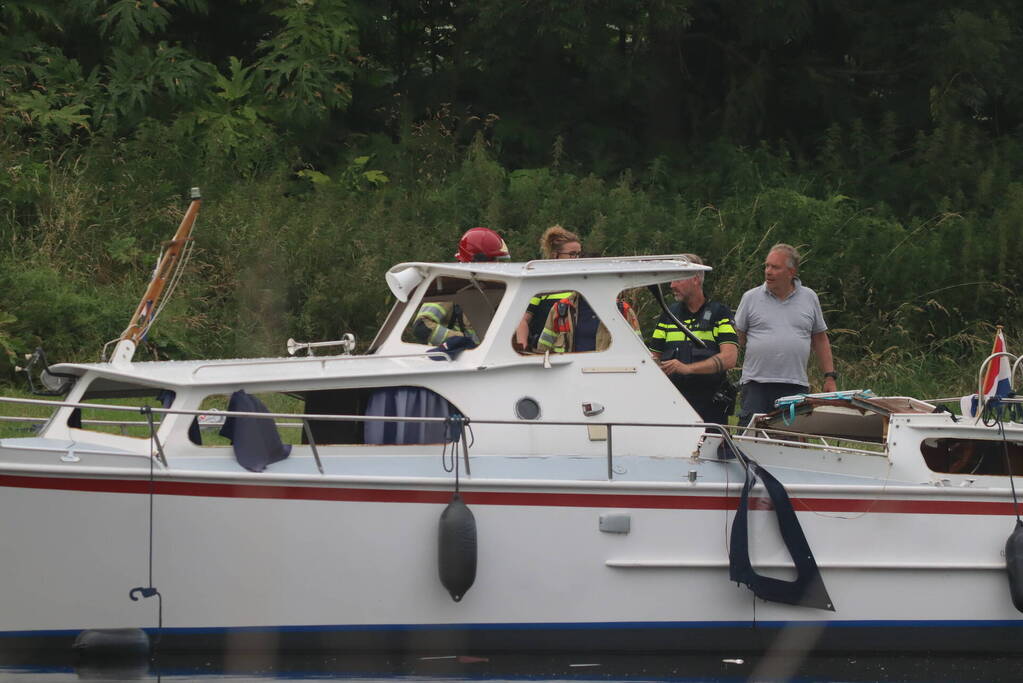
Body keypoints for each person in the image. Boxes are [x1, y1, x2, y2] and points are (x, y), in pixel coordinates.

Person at [734, 243, 837, 426]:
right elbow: (736, 340)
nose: (768, 271)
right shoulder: (750, 298)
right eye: (766, 266)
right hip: (756, 383)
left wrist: (829, 376)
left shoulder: (809, 297)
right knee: (750, 439)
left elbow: (820, 339)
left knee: (789, 440)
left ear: (791, 272)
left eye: (775, 267)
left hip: (794, 384)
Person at [649, 254, 739, 425]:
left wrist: (688, 368)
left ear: (696, 279)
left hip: (710, 408)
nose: (672, 285)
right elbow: (653, 357)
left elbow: (730, 358)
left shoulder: (719, 313)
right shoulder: (668, 314)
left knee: (711, 451)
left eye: (677, 279)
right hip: (673, 405)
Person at [411, 227, 510, 346]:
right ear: (479, 260)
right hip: (454, 361)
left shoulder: (492, 289)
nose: (499, 266)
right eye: (496, 260)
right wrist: (461, 341)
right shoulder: (450, 287)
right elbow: (421, 327)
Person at [515, 225, 581, 350]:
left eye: (578, 254)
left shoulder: (583, 282)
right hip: (542, 354)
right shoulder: (541, 284)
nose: (576, 258)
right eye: (572, 254)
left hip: (575, 354)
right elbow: (523, 320)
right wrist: (523, 348)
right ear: (556, 255)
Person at [536, 292, 641, 353]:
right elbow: (544, 345)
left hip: (609, 374)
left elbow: (638, 348)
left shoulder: (622, 310)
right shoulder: (561, 308)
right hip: (569, 376)